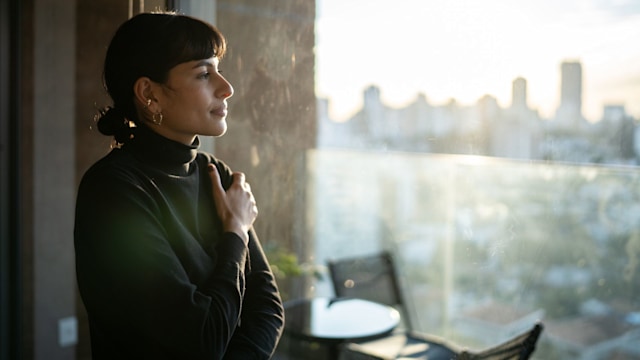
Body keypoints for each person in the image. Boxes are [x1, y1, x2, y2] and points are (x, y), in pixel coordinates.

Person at [74, 12, 284, 359]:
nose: (226, 87)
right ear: (149, 94)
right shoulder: (112, 191)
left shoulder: (217, 173)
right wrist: (235, 232)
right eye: (204, 73)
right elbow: (200, 343)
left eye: (218, 69)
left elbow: (267, 308)